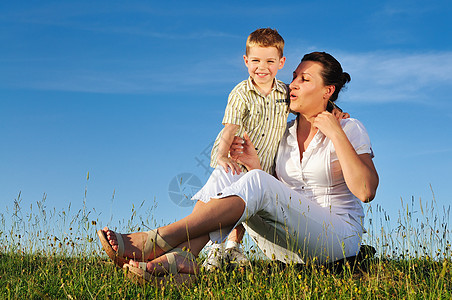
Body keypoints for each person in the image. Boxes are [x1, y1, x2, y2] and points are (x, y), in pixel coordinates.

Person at [97, 51, 379, 284]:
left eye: (304, 79)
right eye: (293, 76)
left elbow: (365, 191)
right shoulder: (285, 133)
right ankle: (186, 257)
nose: (292, 84)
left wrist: (336, 133)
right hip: (288, 248)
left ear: (327, 91)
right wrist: (253, 167)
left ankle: (159, 240)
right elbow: (280, 199)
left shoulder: (349, 127)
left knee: (254, 179)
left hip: (338, 242)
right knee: (230, 170)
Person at [205, 27, 289, 270]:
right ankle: (215, 250)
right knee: (223, 202)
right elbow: (230, 128)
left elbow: (306, 104)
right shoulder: (241, 92)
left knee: (246, 207)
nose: (262, 67)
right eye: (255, 60)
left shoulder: (284, 93)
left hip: (262, 162)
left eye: (270, 61)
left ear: (281, 62)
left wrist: (333, 109)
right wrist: (222, 155)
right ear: (246, 61)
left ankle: (233, 247)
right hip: (234, 158)